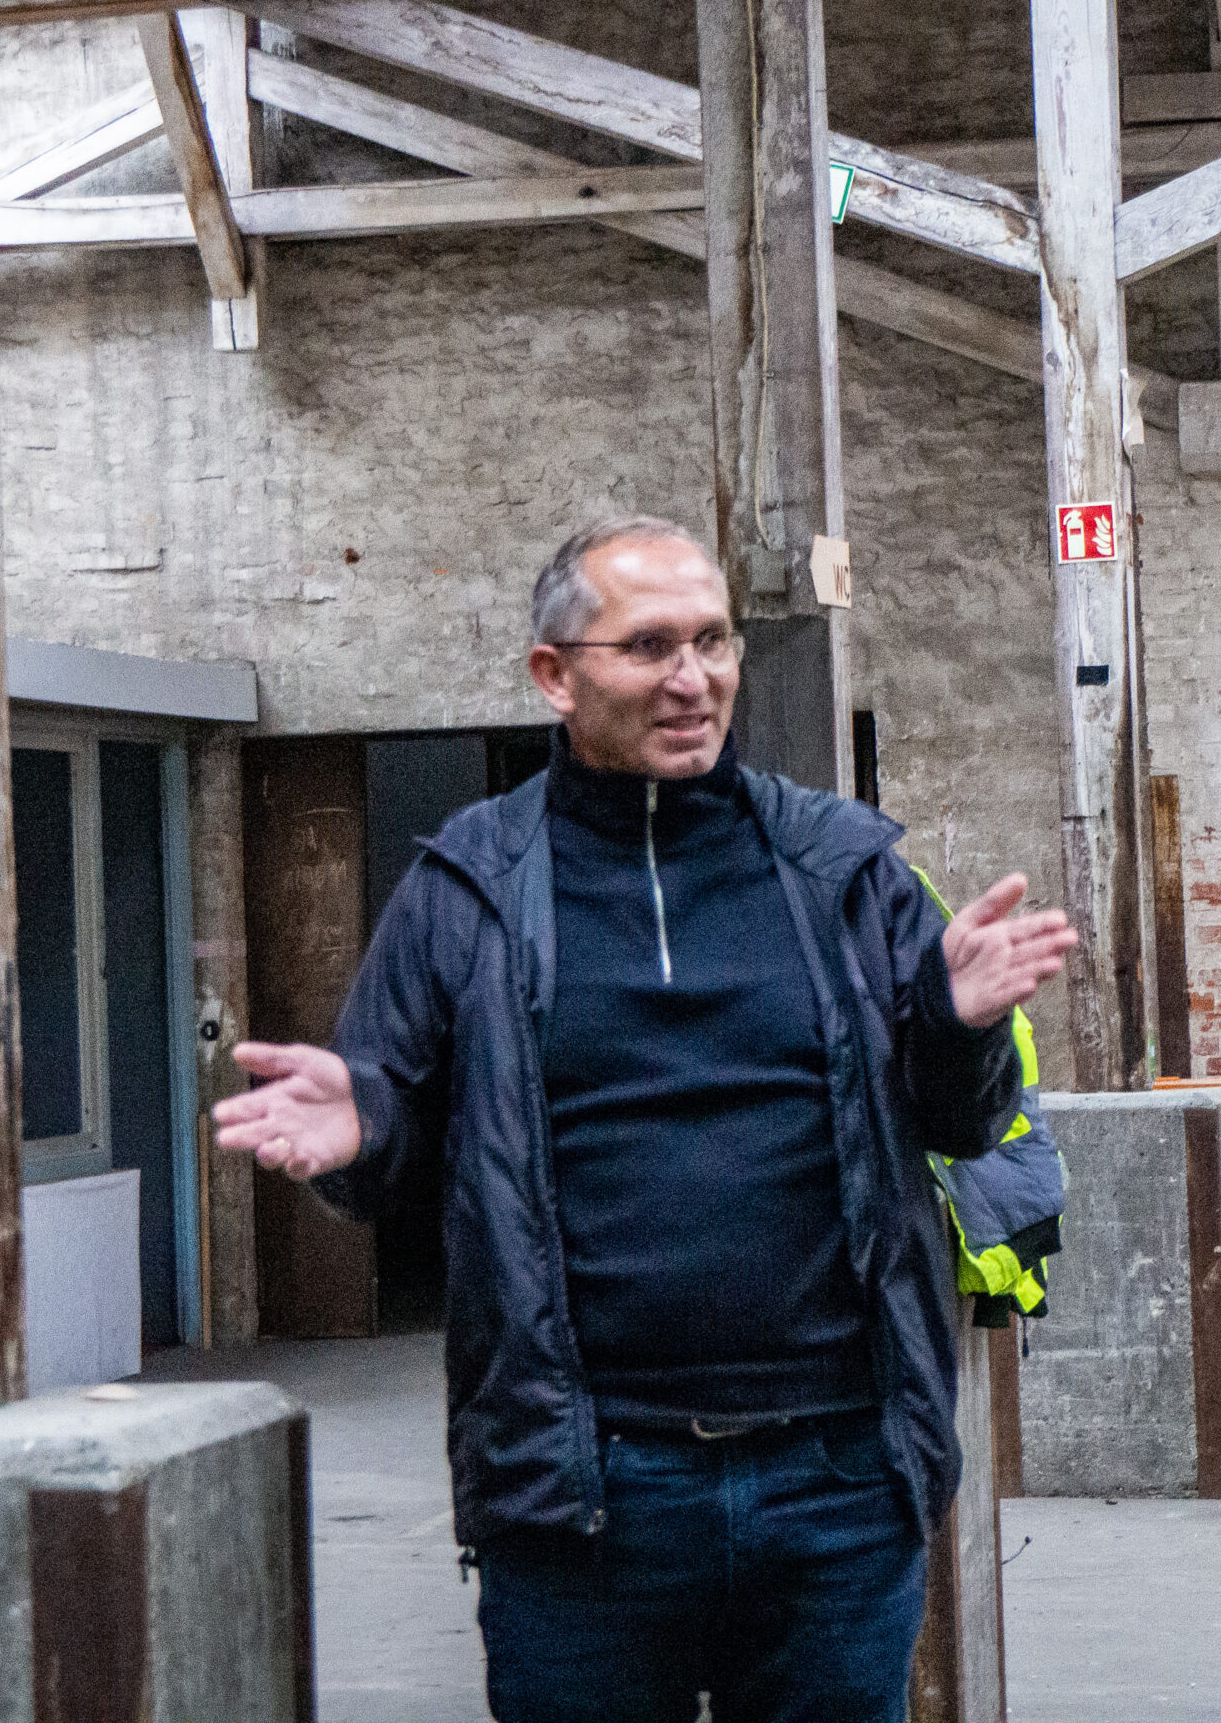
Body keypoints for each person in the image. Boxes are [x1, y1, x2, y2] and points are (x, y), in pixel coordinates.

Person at [216, 516, 1078, 1723]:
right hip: (581, 1487)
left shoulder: (840, 870)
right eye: (648, 646)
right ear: (554, 675)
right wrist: (361, 1130)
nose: (692, 679)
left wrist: (957, 1022)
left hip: (835, 1475)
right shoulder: (469, 885)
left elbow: (964, 1127)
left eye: (713, 641)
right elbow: (381, 1153)